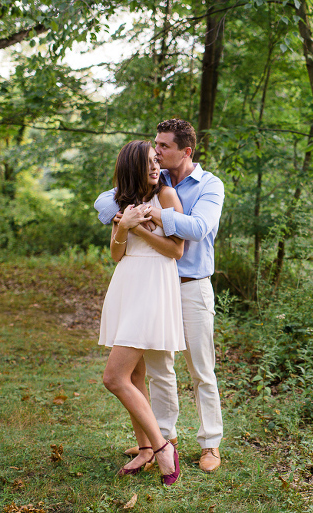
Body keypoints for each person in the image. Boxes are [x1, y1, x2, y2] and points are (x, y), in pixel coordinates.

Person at [95, 119, 224, 473]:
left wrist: (154, 214)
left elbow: (197, 229)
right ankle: (162, 438)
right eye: (155, 147)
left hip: (191, 284)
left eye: (163, 147)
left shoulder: (210, 185)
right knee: (158, 369)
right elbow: (106, 200)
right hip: (153, 286)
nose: (158, 153)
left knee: (201, 368)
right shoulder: (158, 178)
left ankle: (210, 443)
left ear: (185, 151)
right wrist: (125, 217)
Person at [98, 140, 185, 485]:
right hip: (127, 283)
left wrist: (137, 229)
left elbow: (176, 251)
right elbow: (115, 255)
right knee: (134, 377)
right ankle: (145, 448)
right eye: (148, 163)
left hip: (153, 286)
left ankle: (164, 447)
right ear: (132, 167)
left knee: (113, 378)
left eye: (156, 162)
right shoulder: (122, 202)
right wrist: (124, 226)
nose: (155, 168)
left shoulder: (165, 197)